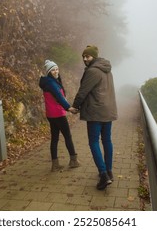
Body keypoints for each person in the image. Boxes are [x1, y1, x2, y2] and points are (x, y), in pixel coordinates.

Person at [71, 45, 118, 190]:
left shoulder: (92, 71)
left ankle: (103, 175)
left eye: (88, 56)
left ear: (94, 57)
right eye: (83, 57)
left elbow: (83, 91)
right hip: (107, 111)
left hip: (95, 112)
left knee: (93, 142)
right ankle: (109, 172)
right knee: (107, 140)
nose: (85, 59)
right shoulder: (107, 70)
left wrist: (75, 106)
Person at [39, 60, 81, 172]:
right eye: (53, 69)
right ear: (48, 71)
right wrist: (69, 108)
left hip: (51, 114)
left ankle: (55, 164)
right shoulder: (51, 83)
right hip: (58, 114)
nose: (56, 71)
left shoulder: (48, 81)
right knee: (68, 136)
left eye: (57, 69)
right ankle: (73, 161)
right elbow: (59, 96)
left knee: (55, 138)